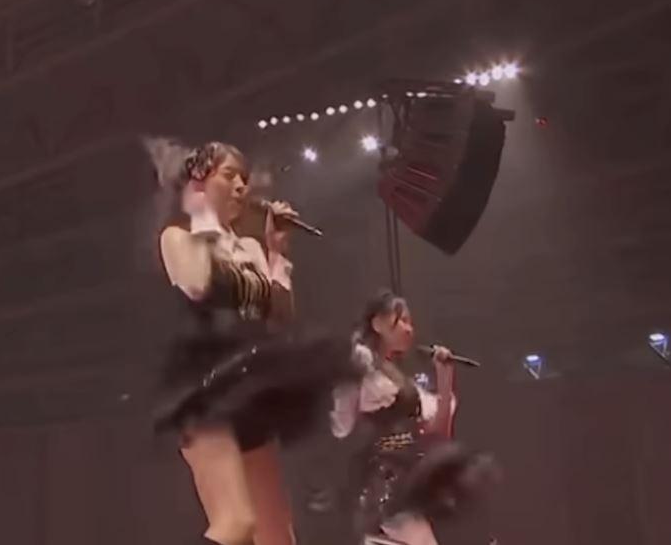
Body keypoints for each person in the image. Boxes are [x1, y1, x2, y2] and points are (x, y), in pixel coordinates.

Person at [150, 139, 352, 545]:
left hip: (248, 390)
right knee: (237, 524)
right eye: (229, 176)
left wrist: (277, 252)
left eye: (244, 179)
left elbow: (278, 317)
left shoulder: (249, 249)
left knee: (278, 536)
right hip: (205, 391)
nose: (242, 187)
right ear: (199, 181)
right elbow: (198, 284)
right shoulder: (178, 238)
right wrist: (202, 214)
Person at [330, 291, 496, 545]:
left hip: (406, 486)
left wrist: (444, 376)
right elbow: (341, 426)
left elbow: (439, 434)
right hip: (384, 486)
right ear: (378, 323)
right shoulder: (363, 364)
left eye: (411, 323)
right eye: (403, 320)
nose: (410, 329)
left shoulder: (397, 379)